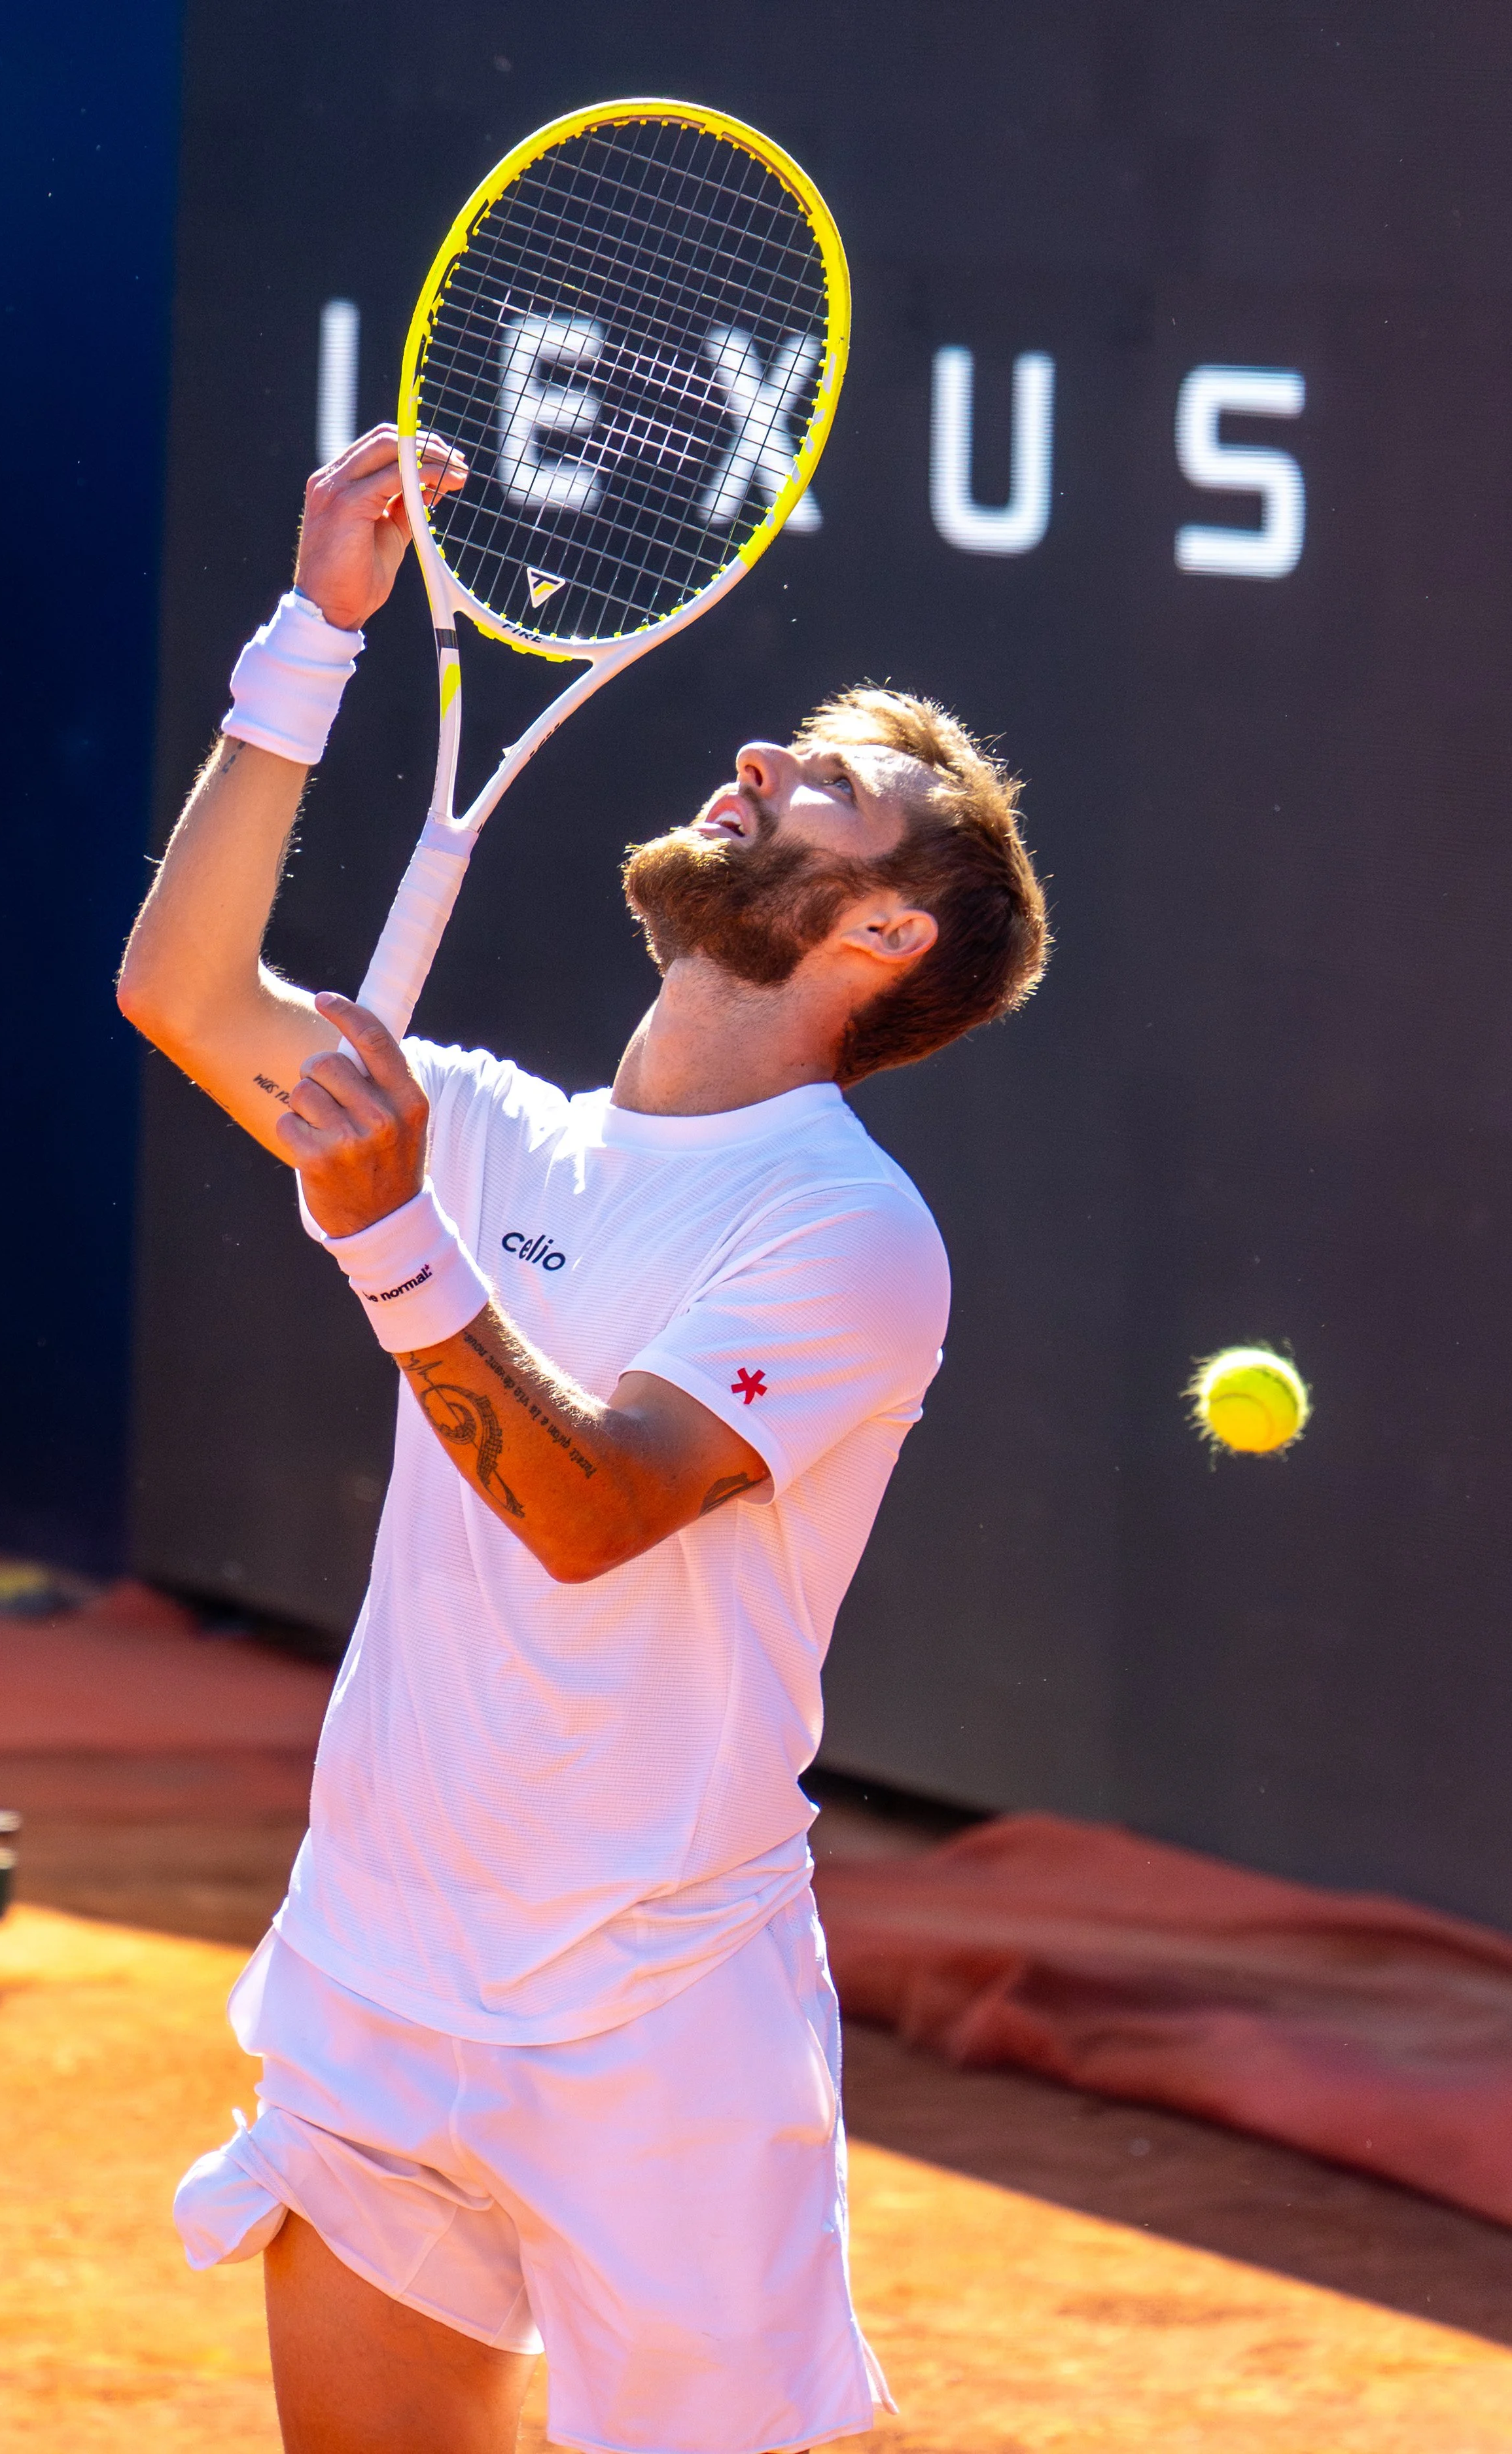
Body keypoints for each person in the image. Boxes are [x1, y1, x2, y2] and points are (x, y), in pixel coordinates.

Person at [117, 426, 1047, 2454]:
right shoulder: (498, 1127)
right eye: (785, 753)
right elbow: (184, 991)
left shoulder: (848, 1233)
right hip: (380, 1961)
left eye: (824, 791)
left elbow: (593, 1505)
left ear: (879, 938)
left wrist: (391, 1245)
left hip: (652, 2017)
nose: (754, 769)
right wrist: (312, 634)